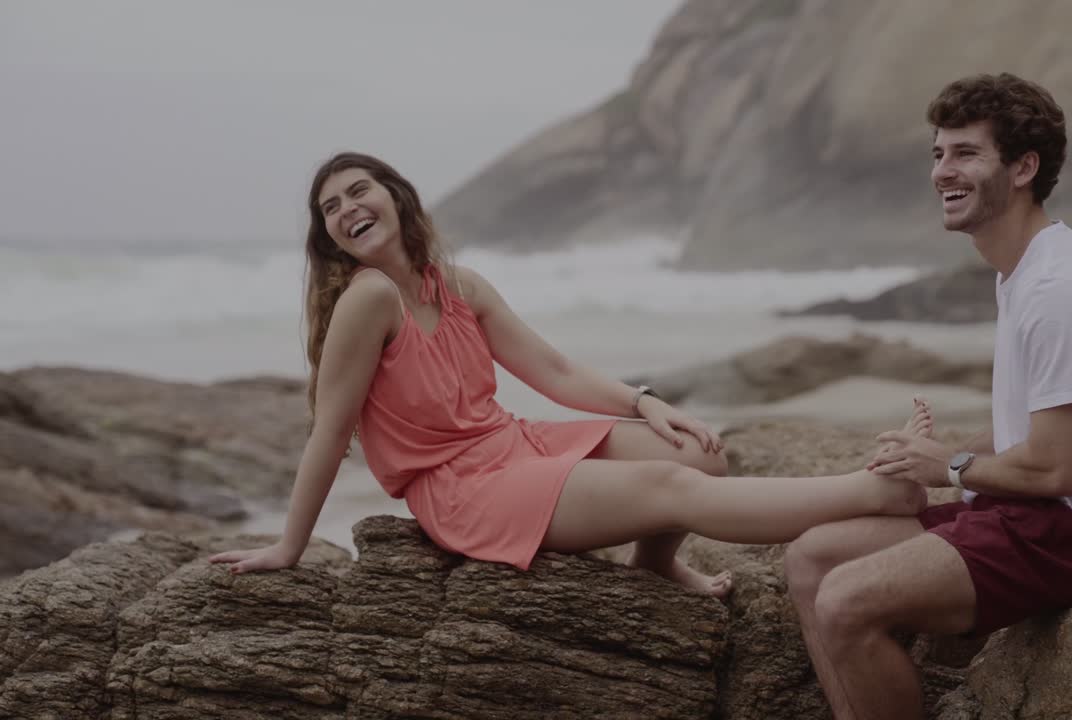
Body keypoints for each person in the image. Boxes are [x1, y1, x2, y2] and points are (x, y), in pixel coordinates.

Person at [210, 152, 923, 597]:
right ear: (327, 236)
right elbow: (330, 431)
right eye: (329, 209)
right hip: (460, 490)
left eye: (357, 191)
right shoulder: (367, 299)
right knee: (672, 486)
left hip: (512, 443)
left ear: (396, 197)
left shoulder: (460, 284)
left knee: (696, 449)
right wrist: (288, 546)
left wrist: (645, 405)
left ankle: (654, 568)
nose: (345, 210)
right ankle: (868, 492)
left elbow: (552, 370)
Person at [783, 73, 1072, 719]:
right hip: (1037, 513)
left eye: (965, 153)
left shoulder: (1057, 290)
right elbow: (1035, 430)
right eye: (937, 153)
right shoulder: (1023, 269)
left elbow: (1057, 469)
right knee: (811, 559)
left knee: (847, 599)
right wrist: (936, 453)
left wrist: (949, 469)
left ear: (1023, 167)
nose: (942, 171)